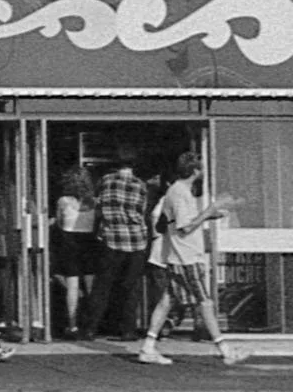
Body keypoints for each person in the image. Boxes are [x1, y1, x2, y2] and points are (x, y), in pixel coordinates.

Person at [140, 152, 248, 367]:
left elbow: (181, 222)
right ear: (196, 171)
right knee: (205, 302)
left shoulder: (178, 192)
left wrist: (210, 215)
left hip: (178, 256)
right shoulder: (180, 193)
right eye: (202, 168)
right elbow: (185, 227)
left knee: (167, 301)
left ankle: (148, 347)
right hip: (187, 257)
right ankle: (225, 350)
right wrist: (210, 210)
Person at [76, 154, 153, 343]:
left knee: (102, 286)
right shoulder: (141, 185)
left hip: (111, 238)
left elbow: (99, 205)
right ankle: (128, 329)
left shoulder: (106, 180)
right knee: (130, 287)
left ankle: (90, 329)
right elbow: (143, 211)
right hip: (136, 240)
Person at [51, 166, 98, 338]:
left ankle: (72, 325)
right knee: (91, 285)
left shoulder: (63, 201)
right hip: (89, 242)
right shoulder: (94, 202)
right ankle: (92, 324)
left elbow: (59, 222)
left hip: (68, 242)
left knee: (72, 285)